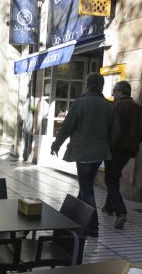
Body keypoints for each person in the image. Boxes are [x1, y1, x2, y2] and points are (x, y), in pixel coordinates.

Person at [50, 73, 120, 236]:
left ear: (87, 85)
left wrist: (56, 144)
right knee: (85, 187)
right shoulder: (109, 106)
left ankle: (93, 226)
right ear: (101, 86)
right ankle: (76, 219)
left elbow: (67, 126)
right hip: (99, 153)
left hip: (82, 152)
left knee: (86, 189)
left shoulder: (80, 103)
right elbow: (116, 130)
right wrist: (106, 144)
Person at [102, 81, 142, 229]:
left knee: (111, 180)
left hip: (113, 148)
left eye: (114, 91)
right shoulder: (140, 110)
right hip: (128, 151)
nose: (112, 94)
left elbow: (107, 128)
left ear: (120, 91)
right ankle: (108, 207)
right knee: (114, 176)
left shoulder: (115, 107)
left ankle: (121, 212)